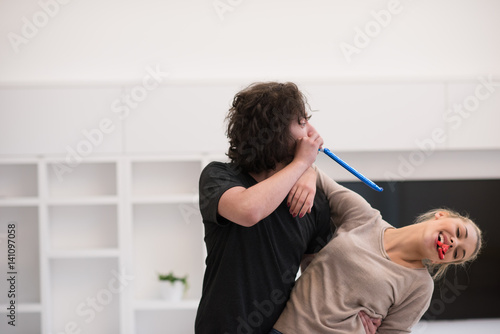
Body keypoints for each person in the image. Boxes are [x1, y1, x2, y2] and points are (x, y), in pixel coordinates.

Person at [270, 167, 483, 334]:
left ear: (440, 261)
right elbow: (314, 171)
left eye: (457, 254)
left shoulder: (420, 287)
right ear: (442, 216)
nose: (454, 243)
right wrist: (308, 175)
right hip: (283, 327)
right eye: (459, 232)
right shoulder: (365, 217)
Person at [194, 82, 333, 334]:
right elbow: (249, 211)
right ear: (275, 131)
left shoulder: (314, 199)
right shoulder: (219, 176)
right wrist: (303, 163)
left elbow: (317, 281)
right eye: (301, 122)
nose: (313, 133)